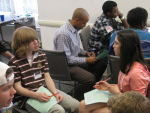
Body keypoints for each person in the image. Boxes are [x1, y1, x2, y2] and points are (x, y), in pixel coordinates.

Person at [8, 26, 79, 113]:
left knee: (76, 106)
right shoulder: (14, 62)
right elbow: (17, 88)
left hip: (43, 90)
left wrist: (55, 93)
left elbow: (47, 77)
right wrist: (36, 95)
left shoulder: (41, 56)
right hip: (27, 98)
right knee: (58, 111)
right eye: (31, 40)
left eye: (36, 39)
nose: (36, 42)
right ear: (22, 43)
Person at [79, 30, 150, 113]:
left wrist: (117, 93)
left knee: (95, 111)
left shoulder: (137, 72)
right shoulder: (127, 63)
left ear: (125, 47)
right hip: (121, 98)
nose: (113, 46)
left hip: (128, 107)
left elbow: (138, 105)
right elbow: (126, 87)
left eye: (116, 43)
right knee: (82, 105)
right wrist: (108, 87)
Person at [54, 8, 107, 101]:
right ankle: (74, 98)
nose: (84, 26)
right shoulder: (63, 34)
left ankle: (88, 89)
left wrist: (86, 53)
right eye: (83, 23)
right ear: (76, 20)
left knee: (101, 64)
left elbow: (76, 49)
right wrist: (86, 60)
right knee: (90, 78)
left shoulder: (74, 30)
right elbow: (66, 60)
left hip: (73, 61)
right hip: (65, 66)